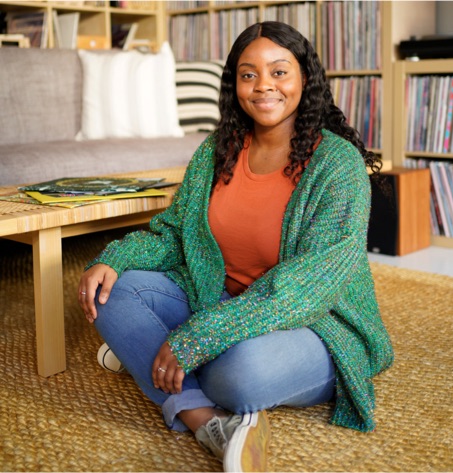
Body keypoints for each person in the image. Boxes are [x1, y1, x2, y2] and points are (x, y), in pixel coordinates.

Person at [78, 21, 394, 472]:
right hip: (221, 300)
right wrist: (113, 259)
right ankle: (205, 420)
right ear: (234, 85)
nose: (263, 85)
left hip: (316, 324)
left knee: (239, 376)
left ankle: (146, 353)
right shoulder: (216, 152)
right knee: (110, 294)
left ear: (305, 77)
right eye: (248, 74)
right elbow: (172, 234)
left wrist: (198, 338)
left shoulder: (336, 165)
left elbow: (307, 290)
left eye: (279, 72)